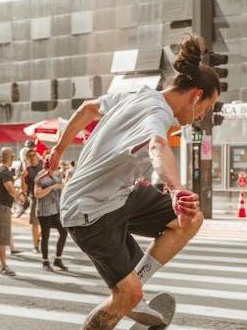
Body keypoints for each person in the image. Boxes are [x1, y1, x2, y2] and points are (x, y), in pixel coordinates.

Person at [48, 34, 220, 329]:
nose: (202, 116)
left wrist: (59, 149)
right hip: (88, 212)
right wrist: (176, 188)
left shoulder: (139, 94)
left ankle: (134, 290)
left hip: (118, 198)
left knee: (190, 219)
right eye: (206, 108)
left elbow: (87, 109)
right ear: (195, 95)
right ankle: (130, 296)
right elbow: (156, 145)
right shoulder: (157, 114)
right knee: (126, 295)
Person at [0, 148, 23, 276]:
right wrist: (19, 196)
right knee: (3, 237)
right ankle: (4, 266)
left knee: (0, 236)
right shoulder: (5, 171)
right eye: (12, 156)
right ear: (10, 157)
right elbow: (10, 189)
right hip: (2, 207)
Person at [34, 161, 68, 271]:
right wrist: (52, 187)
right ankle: (45, 261)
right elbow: (37, 194)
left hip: (56, 210)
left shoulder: (57, 174)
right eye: (54, 165)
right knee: (45, 236)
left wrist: (62, 186)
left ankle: (58, 259)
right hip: (44, 211)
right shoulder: (40, 177)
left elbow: (61, 187)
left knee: (63, 232)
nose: (55, 167)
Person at [21, 149, 43, 253]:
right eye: (30, 156)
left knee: (48, 223)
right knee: (35, 224)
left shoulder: (43, 166)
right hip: (34, 199)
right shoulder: (27, 170)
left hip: (46, 198)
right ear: (27, 159)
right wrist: (22, 177)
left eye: (34, 154)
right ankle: (35, 246)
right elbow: (24, 190)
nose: (32, 157)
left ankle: (38, 238)